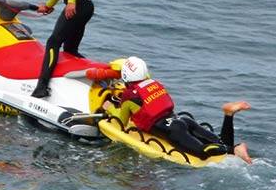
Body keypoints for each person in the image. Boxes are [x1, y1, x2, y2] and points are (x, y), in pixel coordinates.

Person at [102, 56, 253, 164]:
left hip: (171, 130)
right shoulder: (154, 83)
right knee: (218, 140)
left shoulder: (130, 96)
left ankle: (234, 150)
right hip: (182, 120)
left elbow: (122, 121)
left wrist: (110, 108)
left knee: (201, 151)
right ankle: (228, 114)